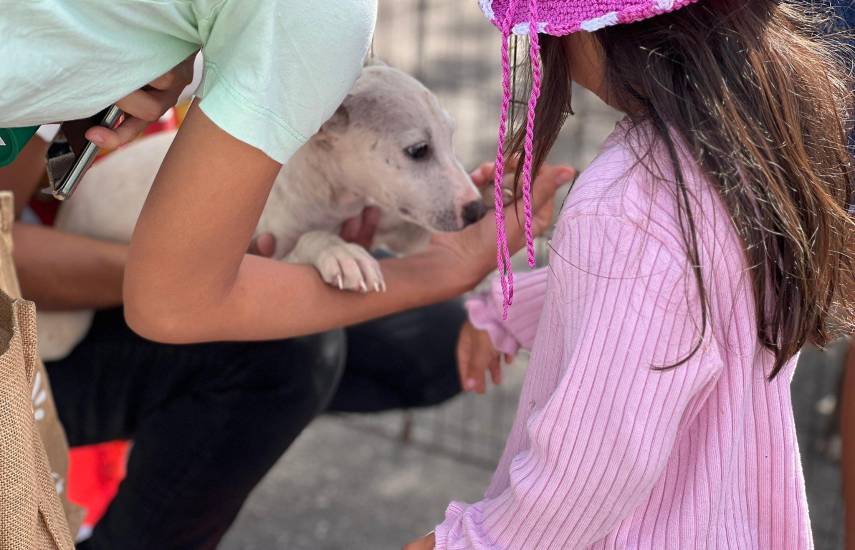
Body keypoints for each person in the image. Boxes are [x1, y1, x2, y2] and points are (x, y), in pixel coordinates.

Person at [0, 2, 570, 544]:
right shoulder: (311, 20)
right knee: (291, 352)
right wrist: (439, 269)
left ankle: (196, 423)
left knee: (432, 340)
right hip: (45, 323)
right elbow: (165, 298)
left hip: (109, 233)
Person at [407, 0, 855, 548]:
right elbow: (691, 297)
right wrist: (514, 307)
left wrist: (468, 542)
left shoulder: (628, 202)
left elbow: (590, 470)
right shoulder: (756, 134)